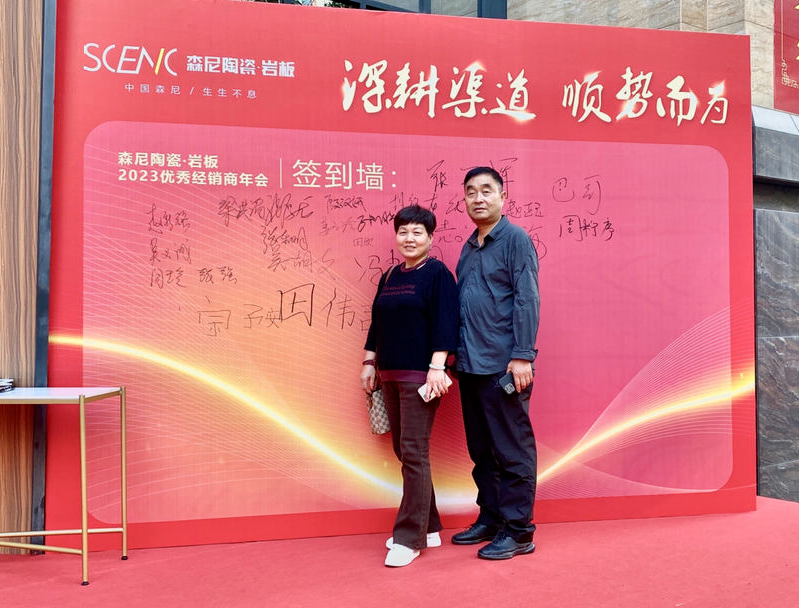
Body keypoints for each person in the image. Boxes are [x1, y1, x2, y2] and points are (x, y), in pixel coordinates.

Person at [360, 204, 459, 568]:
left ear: (430, 238)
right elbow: (377, 323)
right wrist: (368, 362)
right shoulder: (389, 275)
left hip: (421, 376)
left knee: (414, 452)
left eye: (418, 232)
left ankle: (408, 538)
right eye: (403, 232)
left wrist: (437, 367)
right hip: (388, 374)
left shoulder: (437, 274)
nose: (409, 238)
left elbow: (447, 323)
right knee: (406, 452)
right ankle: (428, 526)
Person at [451, 166, 540, 560]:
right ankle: (491, 517)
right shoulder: (469, 247)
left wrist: (522, 356)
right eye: (471, 192)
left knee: (511, 449)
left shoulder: (515, 239)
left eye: (487, 190)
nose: (478, 198)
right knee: (482, 450)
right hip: (470, 365)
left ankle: (519, 530)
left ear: (503, 197)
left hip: (503, 366)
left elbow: (527, 298)